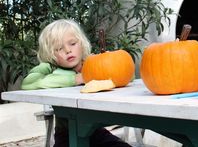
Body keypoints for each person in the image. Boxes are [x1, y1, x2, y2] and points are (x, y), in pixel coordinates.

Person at [21, 19, 131, 147]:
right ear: (51, 54)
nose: (68, 50)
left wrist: (111, 66)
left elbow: (126, 75)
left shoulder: (91, 63)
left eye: (72, 43)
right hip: (66, 133)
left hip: (95, 130)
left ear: (81, 43)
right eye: (59, 48)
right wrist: (75, 79)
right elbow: (28, 83)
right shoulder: (50, 68)